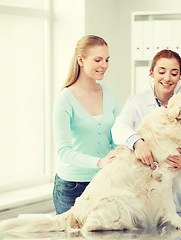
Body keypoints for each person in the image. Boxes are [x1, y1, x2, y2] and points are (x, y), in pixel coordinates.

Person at [112, 49, 181, 213]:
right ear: (151, 73)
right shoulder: (137, 102)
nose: (167, 78)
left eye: (174, 73)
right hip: (147, 190)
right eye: (161, 71)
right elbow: (118, 127)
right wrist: (137, 142)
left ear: (179, 76)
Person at [52, 35, 119, 214]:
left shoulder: (111, 96)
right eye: (98, 60)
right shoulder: (65, 99)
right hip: (71, 187)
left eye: (107, 60)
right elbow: (63, 151)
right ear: (81, 60)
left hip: (104, 183)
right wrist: (100, 162)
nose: (104, 65)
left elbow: (116, 138)